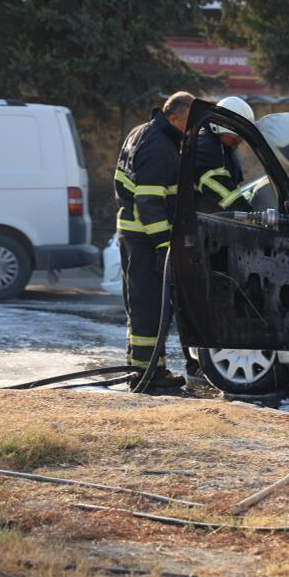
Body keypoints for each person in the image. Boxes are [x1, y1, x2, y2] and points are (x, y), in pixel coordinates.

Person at [114, 91, 194, 389]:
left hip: (134, 235)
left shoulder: (142, 132)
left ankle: (143, 369)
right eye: (189, 122)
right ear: (174, 117)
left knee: (140, 305)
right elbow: (148, 201)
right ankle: (149, 378)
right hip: (146, 239)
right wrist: (163, 244)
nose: (191, 130)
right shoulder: (160, 146)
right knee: (148, 306)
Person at [194, 96, 255, 214]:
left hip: (216, 219)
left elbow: (233, 185)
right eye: (235, 139)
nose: (237, 144)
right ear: (220, 127)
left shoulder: (222, 146)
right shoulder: (205, 148)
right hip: (204, 221)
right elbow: (220, 187)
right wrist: (247, 212)